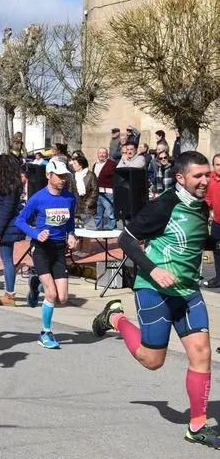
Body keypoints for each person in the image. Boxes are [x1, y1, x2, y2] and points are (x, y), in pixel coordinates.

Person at [91, 151, 220, 448]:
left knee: (201, 353)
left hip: (187, 290)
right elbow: (125, 239)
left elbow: (196, 240)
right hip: (154, 288)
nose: (205, 180)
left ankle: (197, 426)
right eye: (198, 176)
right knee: (152, 361)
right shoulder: (164, 205)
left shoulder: (201, 206)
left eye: (207, 175)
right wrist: (154, 270)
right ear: (180, 178)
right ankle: (115, 317)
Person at [13, 160, 78, 348]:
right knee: (51, 294)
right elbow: (20, 221)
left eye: (65, 176)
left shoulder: (69, 198)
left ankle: (36, 284)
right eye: (59, 176)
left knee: (62, 298)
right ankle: (45, 333)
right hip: (41, 249)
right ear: (48, 176)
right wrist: (36, 234)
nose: (63, 180)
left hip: (59, 249)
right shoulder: (38, 198)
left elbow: (70, 220)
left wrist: (71, 234)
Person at [0, 154, 25, 306]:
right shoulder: (12, 184)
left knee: (7, 260)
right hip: (9, 225)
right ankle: (9, 294)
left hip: (6, 226)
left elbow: (6, 211)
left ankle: (10, 295)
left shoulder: (8, 187)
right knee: (7, 260)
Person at [70, 154, 98, 257]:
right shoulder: (73, 175)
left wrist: (88, 204)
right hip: (76, 206)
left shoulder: (90, 175)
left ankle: (86, 250)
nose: (73, 165)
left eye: (75, 163)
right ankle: (79, 248)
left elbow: (94, 190)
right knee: (78, 229)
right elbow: (71, 190)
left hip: (87, 207)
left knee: (88, 230)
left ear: (81, 165)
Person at [205, 154, 220, 288]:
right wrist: (209, 209)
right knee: (217, 249)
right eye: (217, 165)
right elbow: (208, 197)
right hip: (217, 222)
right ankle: (219, 277)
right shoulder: (211, 178)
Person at [93, 147, 117, 230]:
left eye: (104, 153)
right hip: (97, 193)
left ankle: (111, 229)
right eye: (100, 153)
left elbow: (115, 177)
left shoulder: (112, 164)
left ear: (107, 154)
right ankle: (98, 229)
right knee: (97, 213)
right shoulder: (95, 164)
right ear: (97, 154)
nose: (102, 155)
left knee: (110, 213)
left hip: (108, 193)